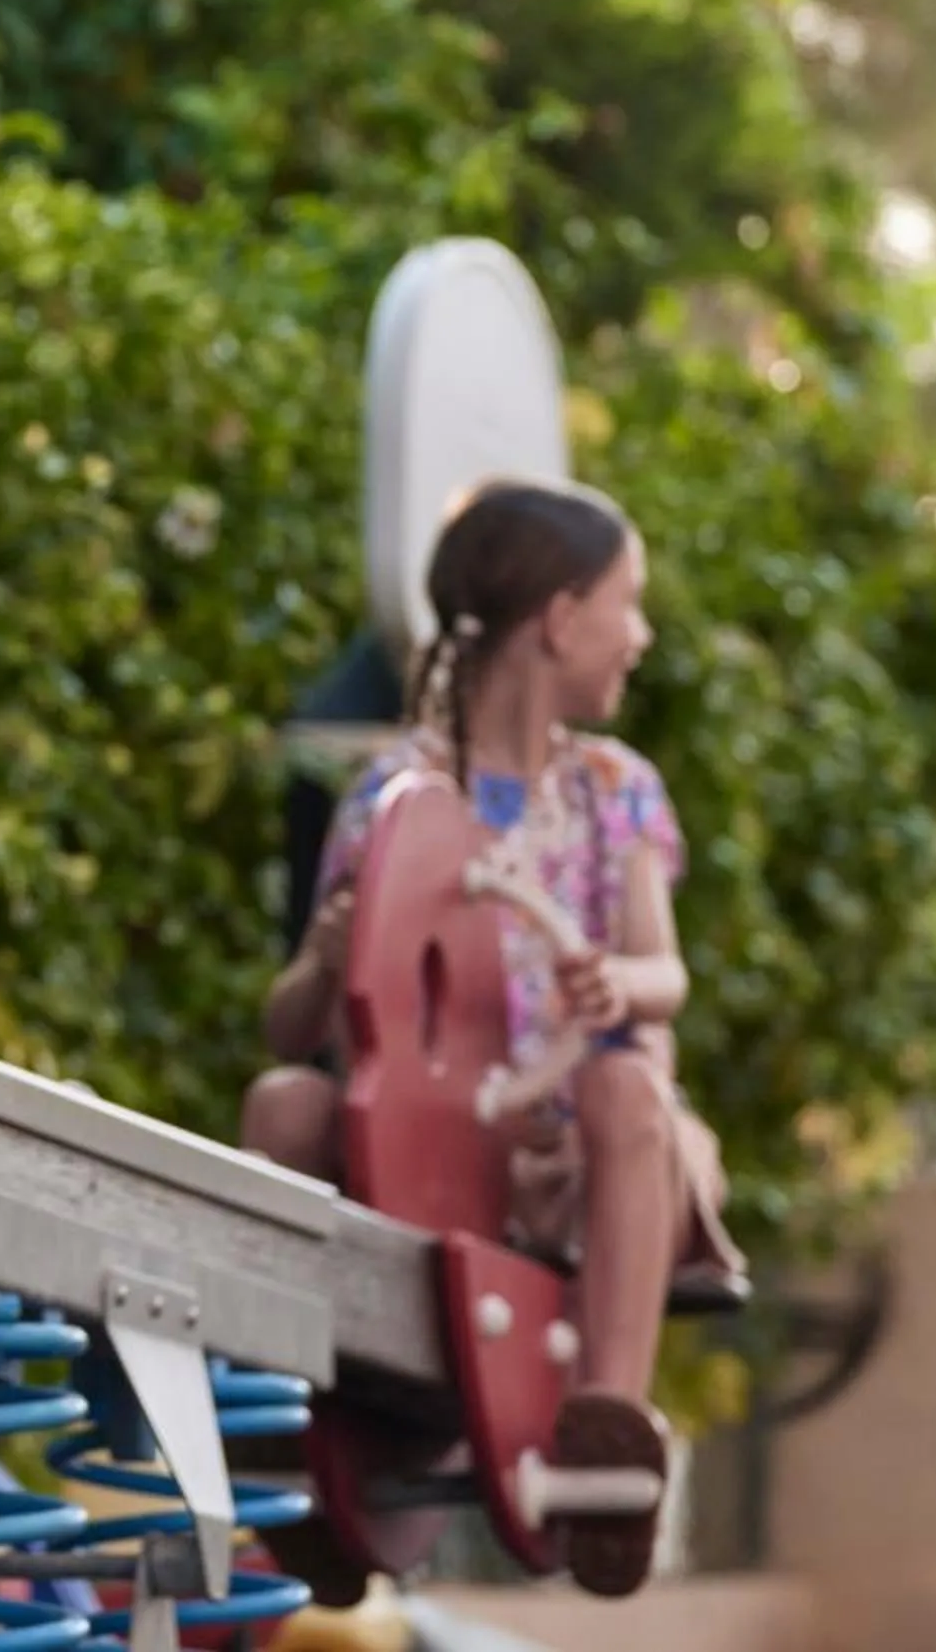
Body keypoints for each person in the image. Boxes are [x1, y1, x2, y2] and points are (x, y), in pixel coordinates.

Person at [240, 478, 747, 1594]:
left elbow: (666, 974)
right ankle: (289, 1404)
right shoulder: (395, 798)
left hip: (585, 1159)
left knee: (626, 1088)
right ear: (561, 620)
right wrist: (325, 959)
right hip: (440, 1150)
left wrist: (615, 981)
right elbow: (293, 1025)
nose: (641, 634)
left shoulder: (615, 790)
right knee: (285, 1104)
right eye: (628, 603)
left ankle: (607, 1416)